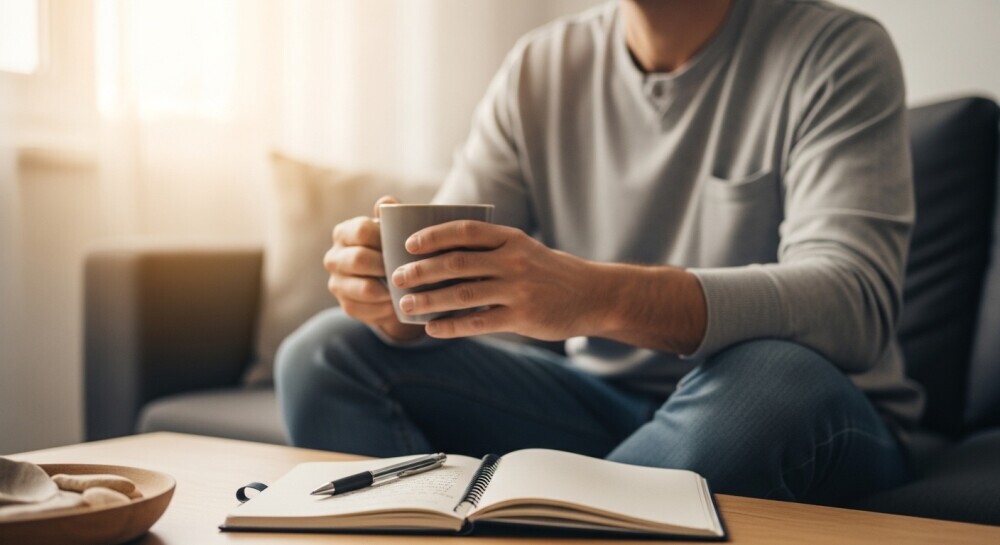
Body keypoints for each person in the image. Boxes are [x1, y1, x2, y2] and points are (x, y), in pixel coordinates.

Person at [276, 0, 924, 505]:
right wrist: (401, 298)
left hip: (791, 410)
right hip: (600, 406)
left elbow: (852, 301)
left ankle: (574, 513)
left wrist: (594, 295)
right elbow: (453, 274)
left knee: (773, 378)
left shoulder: (836, 51)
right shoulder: (540, 66)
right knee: (326, 352)